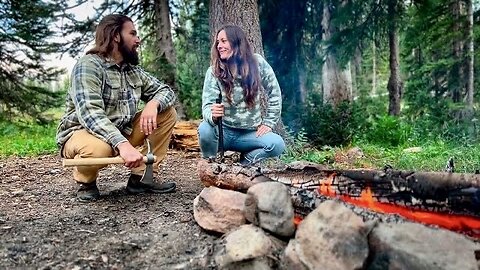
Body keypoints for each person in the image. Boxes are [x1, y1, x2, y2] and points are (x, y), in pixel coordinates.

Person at [56, 14, 177, 202]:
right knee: (97, 149)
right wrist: (123, 145)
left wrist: (153, 104)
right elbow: (90, 114)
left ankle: (140, 179)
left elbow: (166, 91)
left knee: (166, 112)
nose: (138, 40)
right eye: (133, 33)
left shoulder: (132, 71)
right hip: (83, 133)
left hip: (121, 132)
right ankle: (86, 182)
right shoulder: (88, 66)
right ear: (116, 36)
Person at [198, 25, 285, 166]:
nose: (219, 46)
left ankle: (244, 165)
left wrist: (269, 122)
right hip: (223, 132)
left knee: (277, 144)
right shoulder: (213, 71)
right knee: (205, 129)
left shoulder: (257, 63)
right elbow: (207, 106)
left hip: (250, 134)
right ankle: (211, 166)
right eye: (218, 42)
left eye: (223, 41)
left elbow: (274, 92)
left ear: (236, 42)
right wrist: (213, 115)